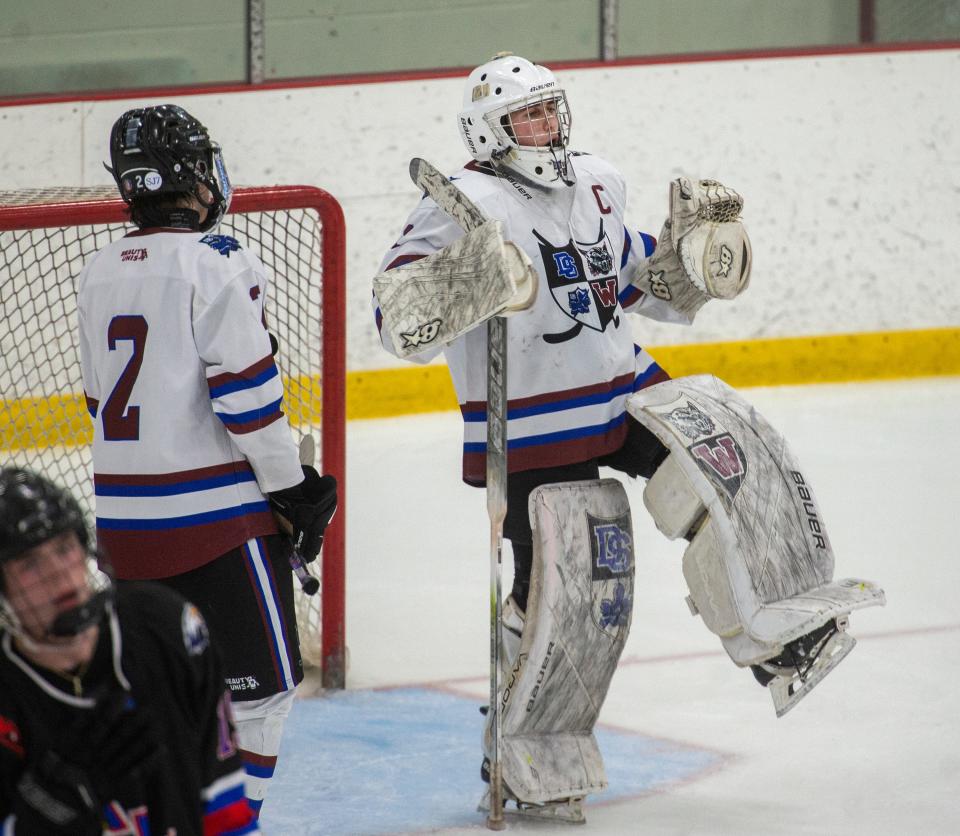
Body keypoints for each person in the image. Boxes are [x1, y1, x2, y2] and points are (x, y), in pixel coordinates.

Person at [371, 52, 758, 817]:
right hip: (533, 419)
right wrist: (472, 279)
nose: (546, 126)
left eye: (552, 109)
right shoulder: (465, 202)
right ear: (491, 130)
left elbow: (627, 276)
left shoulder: (600, 180)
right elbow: (394, 316)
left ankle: (776, 631)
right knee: (559, 590)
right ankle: (518, 747)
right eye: (528, 115)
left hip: (619, 387)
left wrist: (688, 261)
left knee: (723, 457)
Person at [76, 104, 337, 817]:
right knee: (262, 695)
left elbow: (98, 404)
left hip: (124, 532)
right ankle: (231, 825)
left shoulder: (99, 268)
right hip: (215, 528)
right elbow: (249, 401)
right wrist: (292, 492)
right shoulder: (218, 263)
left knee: (155, 695)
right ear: (195, 174)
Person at [0, 467, 258, 835]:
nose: (58, 572)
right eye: (30, 564)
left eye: (64, 548)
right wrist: (49, 809)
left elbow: (225, 812)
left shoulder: (165, 631)